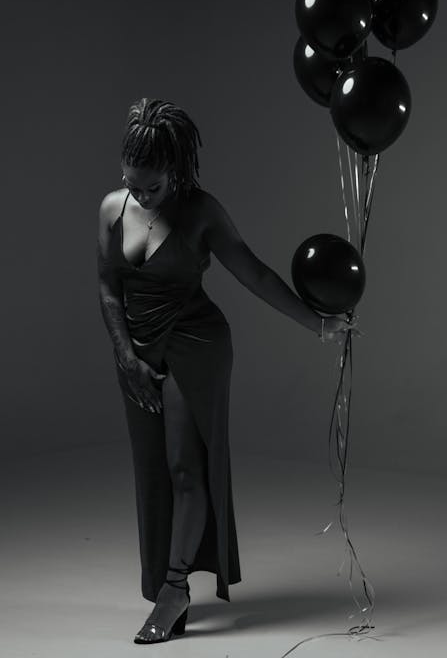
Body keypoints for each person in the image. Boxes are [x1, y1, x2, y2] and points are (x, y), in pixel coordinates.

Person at [97, 97, 360, 644]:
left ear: (175, 171)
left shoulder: (202, 212)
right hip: (139, 351)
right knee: (153, 476)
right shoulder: (111, 208)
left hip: (197, 344)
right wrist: (126, 358)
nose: (141, 196)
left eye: (152, 187)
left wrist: (318, 324)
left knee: (185, 468)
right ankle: (169, 580)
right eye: (132, 184)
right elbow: (108, 288)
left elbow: (256, 275)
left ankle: (175, 589)